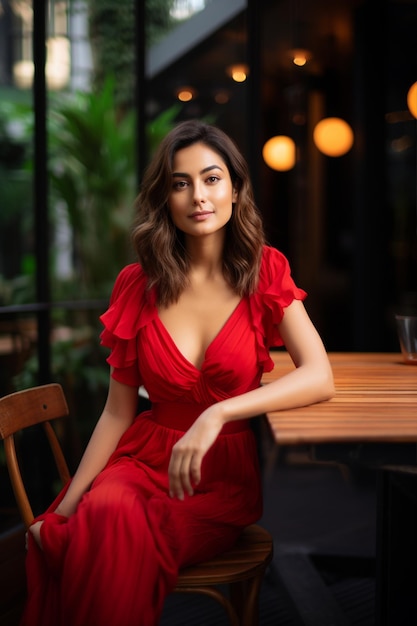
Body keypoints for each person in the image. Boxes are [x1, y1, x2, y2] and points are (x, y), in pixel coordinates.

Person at [22, 120, 335, 626]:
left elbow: (320, 375)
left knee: (111, 537)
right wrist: (64, 508)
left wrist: (216, 415)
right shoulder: (137, 284)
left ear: (235, 187)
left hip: (219, 478)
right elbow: (117, 412)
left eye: (211, 179)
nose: (198, 196)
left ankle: (67, 547)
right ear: (164, 197)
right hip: (141, 461)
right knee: (107, 515)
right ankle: (68, 534)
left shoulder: (265, 269)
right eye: (179, 182)